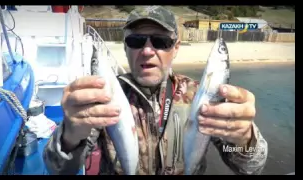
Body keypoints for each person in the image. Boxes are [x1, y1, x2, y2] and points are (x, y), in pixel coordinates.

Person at [43, 6, 268, 175]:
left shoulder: (201, 98)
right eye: (137, 40)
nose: (148, 50)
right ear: (125, 47)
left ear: (176, 48)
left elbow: (249, 168)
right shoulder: (103, 98)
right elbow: (61, 170)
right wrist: (70, 136)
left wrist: (244, 139)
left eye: (160, 41)